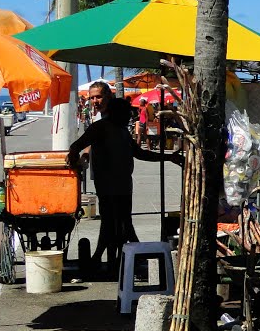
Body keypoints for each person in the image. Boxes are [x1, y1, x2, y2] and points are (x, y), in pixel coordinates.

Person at [67, 81, 179, 271]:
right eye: (126, 114)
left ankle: (114, 258)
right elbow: (76, 146)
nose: (129, 117)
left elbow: (140, 153)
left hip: (123, 186)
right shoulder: (100, 127)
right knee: (114, 223)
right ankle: (115, 258)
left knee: (119, 223)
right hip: (109, 187)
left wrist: (168, 158)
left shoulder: (122, 131)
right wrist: (75, 160)